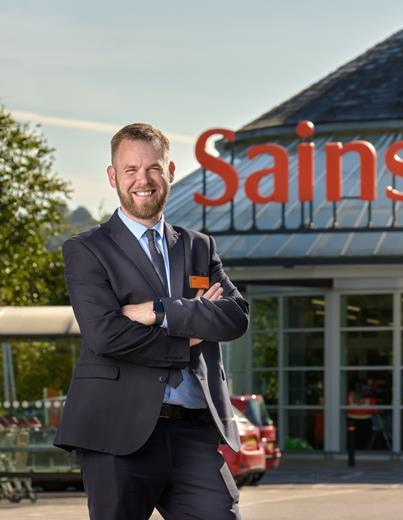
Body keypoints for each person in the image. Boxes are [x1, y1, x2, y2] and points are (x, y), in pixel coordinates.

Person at [54, 123, 249, 519]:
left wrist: (159, 311)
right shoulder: (86, 250)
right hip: (116, 432)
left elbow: (234, 317)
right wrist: (189, 336)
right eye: (130, 170)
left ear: (171, 171)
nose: (143, 180)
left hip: (193, 432)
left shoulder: (198, 247)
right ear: (113, 177)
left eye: (153, 168)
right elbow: (106, 335)